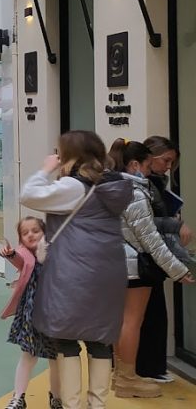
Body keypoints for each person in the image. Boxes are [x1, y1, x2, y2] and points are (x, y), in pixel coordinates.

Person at [19, 130, 132, 409]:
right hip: (109, 271)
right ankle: (97, 405)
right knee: (100, 339)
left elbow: (29, 195)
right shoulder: (114, 184)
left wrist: (46, 169)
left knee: (67, 337)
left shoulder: (73, 186)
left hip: (73, 271)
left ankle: (71, 405)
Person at [107, 139, 192, 399]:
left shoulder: (109, 186)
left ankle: (120, 375)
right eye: (147, 165)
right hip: (134, 265)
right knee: (132, 322)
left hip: (113, 263)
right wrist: (178, 269)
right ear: (135, 164)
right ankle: (127, 378)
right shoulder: (133, 191)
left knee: (123, 321)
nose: (150, 171)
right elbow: (149, 239)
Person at [137, 136, 190, 383]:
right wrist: (174, 224)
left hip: (151, 254)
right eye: (165, 160)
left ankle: (147, 367)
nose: (168, 166)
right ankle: (145, 368)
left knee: (152, 314)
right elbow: (143, 225)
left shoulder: (155, 183)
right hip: (144, 257)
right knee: (148, 315)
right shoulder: (141, 186)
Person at [0, 217, 61, 409]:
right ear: (21, 239)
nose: (30, 235)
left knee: (56, 358)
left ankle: (56, 397)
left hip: (53, 314)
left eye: (35, 230)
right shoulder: (25, 255)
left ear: (45, 232)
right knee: (28, 355)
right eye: (25, 233)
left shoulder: (53, 253)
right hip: (31, 315)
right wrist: (10, 254)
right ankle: (18, 397)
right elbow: (19, 259)